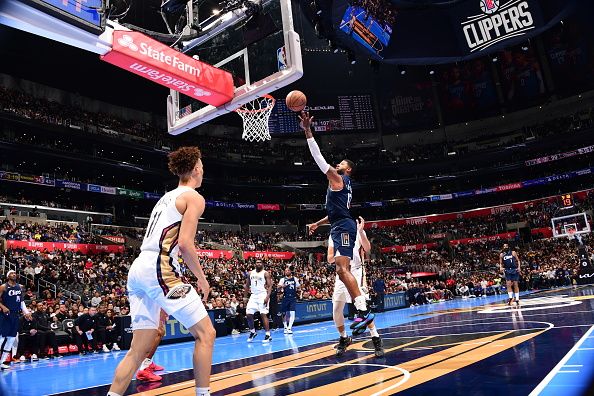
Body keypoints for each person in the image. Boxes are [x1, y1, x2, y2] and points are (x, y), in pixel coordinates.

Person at [108, 147, 215, 396]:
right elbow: (186, 244)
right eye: (201, 164)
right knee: (206, 333)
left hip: (139, 268)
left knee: (138, 350)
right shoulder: (194, 197)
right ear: (196, 168)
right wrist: (202, 279)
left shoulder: (166, 196)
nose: (203, 169)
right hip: (159, 266)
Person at [301, 111, 374, 335]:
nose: (338, 164)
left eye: (341, 163)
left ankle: (363, 308)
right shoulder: (344, 185)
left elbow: (319, 160)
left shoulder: (339, 179)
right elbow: (337, 213)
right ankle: (362, 310)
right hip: (340, 223)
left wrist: (307, 131)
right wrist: (317, 223)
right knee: (341, 270)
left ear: (347, 169)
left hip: (343, 227)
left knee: (342, 269)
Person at [328, 217, 384, 357]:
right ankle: (344, 338)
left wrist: (360, 231)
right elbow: (329, 258)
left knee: (363, 307)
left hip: (356, 272)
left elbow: (368, 248)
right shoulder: (333, 234)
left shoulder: (357, 231)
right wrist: (341, 255)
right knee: (336, 308)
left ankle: (376, 338)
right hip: (341, 273)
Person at [0, 270, 33, 369]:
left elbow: (21, 301)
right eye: (11, 273)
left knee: (11, 339)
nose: (14, 274)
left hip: (15, 315)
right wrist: (2, 306)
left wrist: (26, 312)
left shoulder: (20, 287)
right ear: (7, 276)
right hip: (5, 315)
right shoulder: (3, 287)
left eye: (14, 273)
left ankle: (2, 362)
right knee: (1, 338)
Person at [245, 259, 273, 343]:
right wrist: (245, 297)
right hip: (253, 295)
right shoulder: (250, 273)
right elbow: (247, 285)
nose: (258, 264)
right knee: (248, 314)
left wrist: (267, 296)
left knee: (263, 314)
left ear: (262, 264)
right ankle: (253, 332)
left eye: (260, 262)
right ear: (255, 264)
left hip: (262, 294)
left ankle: (268, 335)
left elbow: (270, 286)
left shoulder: (265, 273)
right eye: (257, 262)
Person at [135, 309, 167, 382]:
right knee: (158, 332)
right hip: (147, 308)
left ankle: (149, 363)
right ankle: (144, 368)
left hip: (153, 307)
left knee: (159, 332)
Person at [277, 266, 300, 334]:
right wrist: (282, 286)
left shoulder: (295, 279)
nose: (286, 272)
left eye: (288, 270)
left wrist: (298, 290)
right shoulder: (282, 279)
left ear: (290, 271)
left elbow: (298, 287)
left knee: (292, 312)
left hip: (293, 297)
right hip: (285, 297)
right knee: (284, 313)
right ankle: (285, 327)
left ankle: (289, 327)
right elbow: (278, 289)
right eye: (285, 271)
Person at [500, 243, 521, 307]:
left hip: (514, 269)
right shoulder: (501, 254)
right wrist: (500, 267)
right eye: (504, 246)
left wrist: (519, 267)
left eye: (506, 246)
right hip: (507, 270)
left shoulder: (513, 252)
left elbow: (518, 260)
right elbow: (500, 263)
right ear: (503, 247)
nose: (505, 247)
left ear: (508, 247)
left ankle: (517, 299)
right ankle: (511, 298)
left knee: (515, 284)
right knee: (508, 284)